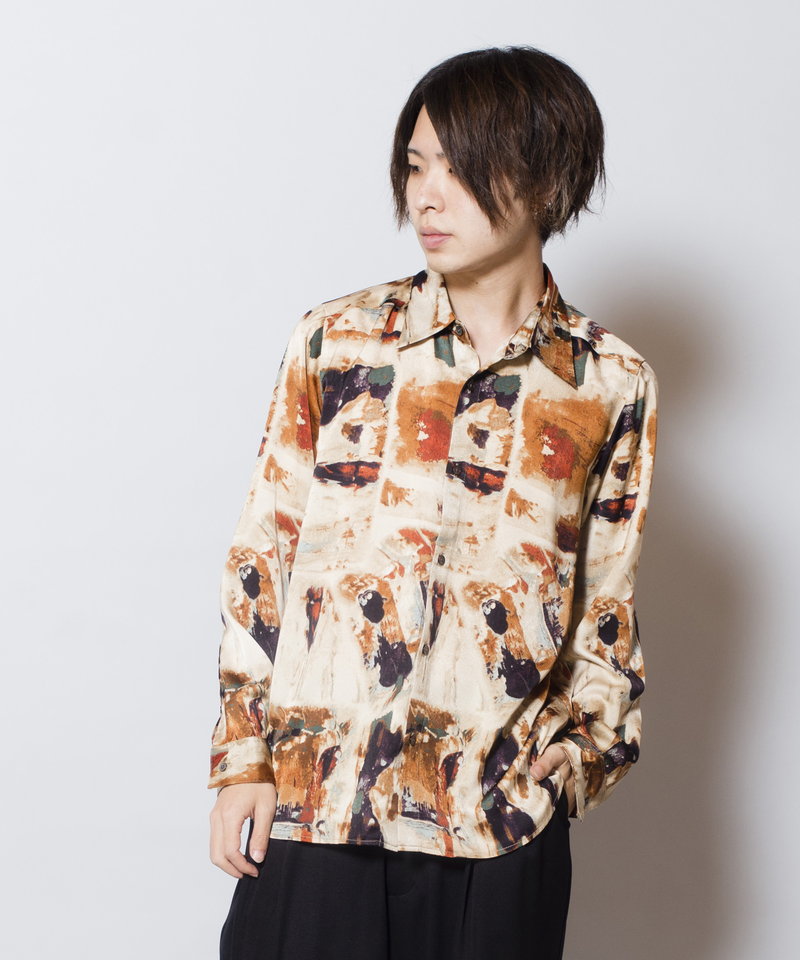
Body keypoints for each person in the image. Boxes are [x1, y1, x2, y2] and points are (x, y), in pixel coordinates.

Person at [207, 44, 659, 960]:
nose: (425, 196)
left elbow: (605, 605)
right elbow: (264, 554)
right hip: (319, 801)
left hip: (498, 824)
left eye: (458, 167)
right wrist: (242, 757)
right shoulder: (336, 344)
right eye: (416, 166)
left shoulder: (610, 383)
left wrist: (580, 755)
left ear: (547, 178)